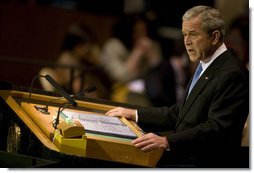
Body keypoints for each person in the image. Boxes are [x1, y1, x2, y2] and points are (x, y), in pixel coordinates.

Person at [105, 5, 249, 168]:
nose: (186, 42)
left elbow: (217, 129)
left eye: (193, 35)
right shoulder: (206, 64)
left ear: (214, 37)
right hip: (186, 154)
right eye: (184, 35)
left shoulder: (232, 73)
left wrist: (167, 141)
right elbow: (181, 113)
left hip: (202, 163)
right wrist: (135, 114)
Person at [100, 14, 163, 106]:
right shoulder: (113, 46)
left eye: (144, 31)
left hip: (150, 92)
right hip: (121, 94)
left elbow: (161, 73)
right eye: (137, 31)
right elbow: (122, 77)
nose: (142, 35)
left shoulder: (152, 45)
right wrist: (137, 52)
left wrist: (152, 54)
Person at [39, 23, 112, 99]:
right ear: (77, 45)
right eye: (88, 44)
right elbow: (80, 88)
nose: (90, 49)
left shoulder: (81, 59)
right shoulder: (68, 59)